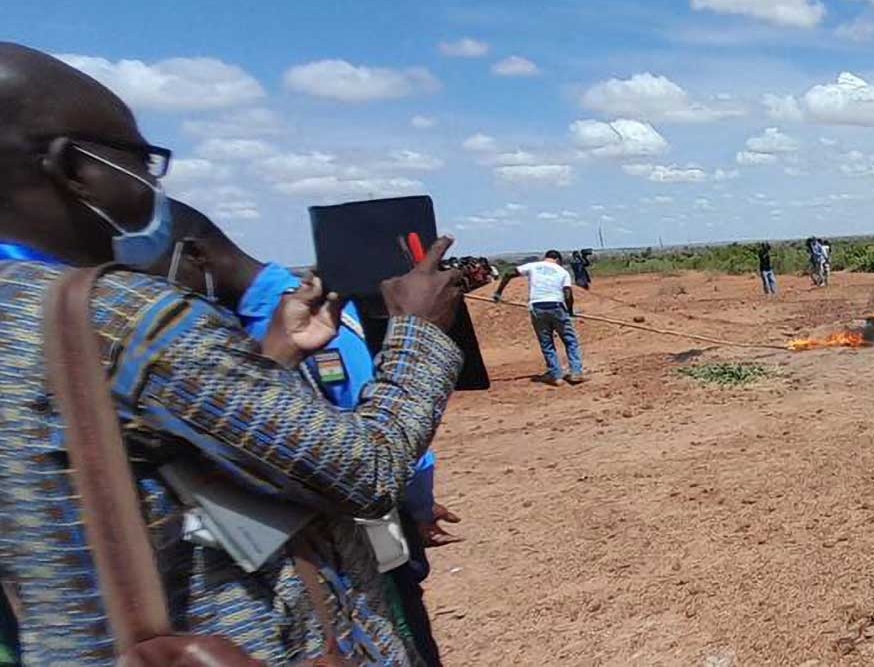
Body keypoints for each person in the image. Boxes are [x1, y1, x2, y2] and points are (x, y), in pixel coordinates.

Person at [0, 43, 463, 665]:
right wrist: (418, 330)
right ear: (71, 166)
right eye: (138, 159)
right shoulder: (129, 318)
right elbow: (366, 471)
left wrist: (270, 355)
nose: (150, 182)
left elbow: (154, 447)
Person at [157, 202, 458, 666]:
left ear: (195, 256)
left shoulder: (318, 319)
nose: (157, 296)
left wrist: (416, 499)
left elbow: (367, 419)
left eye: (154, 276)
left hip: (360, 541)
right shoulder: (251, 326)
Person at [493, 250, 585, 386]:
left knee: (547, 343)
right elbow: (567, 293)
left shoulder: (533, 266)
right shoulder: (562, 272)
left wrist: (498, 293)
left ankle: (556, 376)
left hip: (537, 307)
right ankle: (576, 372)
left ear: (545, 258)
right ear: (558, 260)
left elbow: (508, 273)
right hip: (557, 306)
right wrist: (570, 311)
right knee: (570, 341)